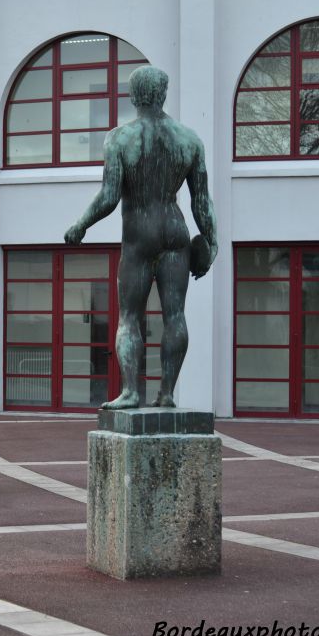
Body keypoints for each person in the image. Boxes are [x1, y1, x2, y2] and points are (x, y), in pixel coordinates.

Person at [64, 66, 217, 409]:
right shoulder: (189, 140)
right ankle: (166, 395)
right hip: (176, 230)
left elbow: (108, 197)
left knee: (130, 317)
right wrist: (212, 240)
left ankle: (132, 391)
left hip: (139, 236)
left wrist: (81, 224)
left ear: (133, 96)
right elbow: (201, 202)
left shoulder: (120, 138)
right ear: (163, 93)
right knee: (175, 316)